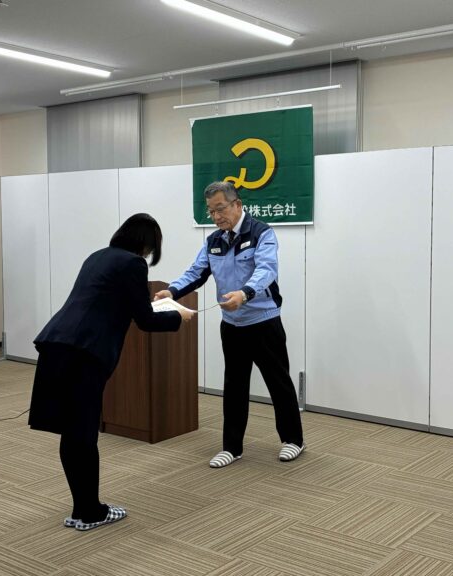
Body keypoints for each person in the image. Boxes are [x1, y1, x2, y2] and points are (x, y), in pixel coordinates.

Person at [29, 213, 194, 532]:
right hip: (83, 353)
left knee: (72, 433)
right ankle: (91, 512)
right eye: (152, 248)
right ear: (146, 243)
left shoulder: (98, 256)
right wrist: (179, 317)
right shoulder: (133, 264)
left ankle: (81, 509)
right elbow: (145, 320)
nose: (149, 254)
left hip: (57, 344)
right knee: (83, 434)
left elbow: (108, 303)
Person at [155, 181, 304, 468]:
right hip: (232, 325)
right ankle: (232, 447)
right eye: (211, 211)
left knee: (278, 382)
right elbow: (196, 272)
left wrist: (244, 294)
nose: (216, 216)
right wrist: (172, 291)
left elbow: (266, 270)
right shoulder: (214, 240)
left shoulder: (261, 233)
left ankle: (293, 440)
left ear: (237, 204)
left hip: (263, 321)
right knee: (234, 386)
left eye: (220, 209)